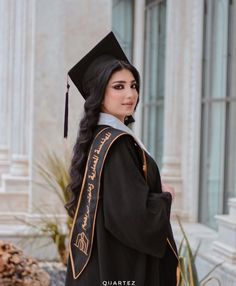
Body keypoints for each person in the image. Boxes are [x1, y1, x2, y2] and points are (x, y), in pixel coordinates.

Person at [64, 32, 178, 286]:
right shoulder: (117, 144)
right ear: (97, 92)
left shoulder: (98, 137)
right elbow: (132, 217)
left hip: (104, 261)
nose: (130, 94)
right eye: (118, 86)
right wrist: (165, 197)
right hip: (121, 265)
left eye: (133, 85)